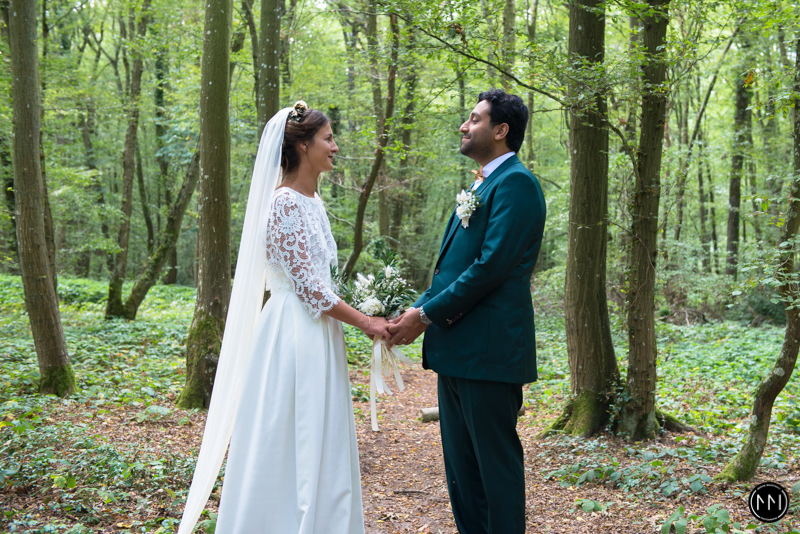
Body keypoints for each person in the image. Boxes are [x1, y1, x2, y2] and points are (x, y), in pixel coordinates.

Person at [177, 102, 389, 534]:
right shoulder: (284, 204)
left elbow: (324, 279)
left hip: (321, 331)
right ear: (302, 146)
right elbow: (308, 287)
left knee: (323, 432)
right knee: (291, 431)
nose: (335, 146)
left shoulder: (314, 201)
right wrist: (366, 322)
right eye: (328, 138)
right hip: (293, 332)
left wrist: (372, 308)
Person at [387, 89, 546, 534]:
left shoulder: (517, 184)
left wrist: (425, 316)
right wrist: (415, 309)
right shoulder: (482, 183)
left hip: (490, 352)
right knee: (463, 474)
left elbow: (489, 267)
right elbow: (453, 270)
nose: (464, 125)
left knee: (494, 471)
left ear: (500, 130)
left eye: (474, 119)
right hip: (457, 350)